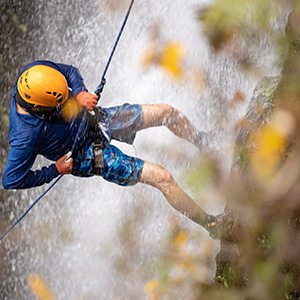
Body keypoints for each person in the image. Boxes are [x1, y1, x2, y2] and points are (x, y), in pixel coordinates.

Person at [2, 60, 223, 238]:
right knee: (162, 178)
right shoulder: (25, 137)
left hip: (94, 118)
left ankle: (202, 141)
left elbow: (69, 71)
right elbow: (11, 180)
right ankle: (212, 224)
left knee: (166, 111)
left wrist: (79, 94)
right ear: (39, 108)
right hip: (88, 155)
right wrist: (55, 170)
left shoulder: (37, 74)